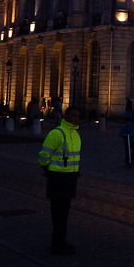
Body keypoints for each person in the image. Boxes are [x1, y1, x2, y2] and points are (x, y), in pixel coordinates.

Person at [38, 106, 82, 255]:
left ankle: (60, 242)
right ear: (66, 116)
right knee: (58, 215)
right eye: (73, 115)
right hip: (57, 179)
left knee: (64, 215)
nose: (76, 118)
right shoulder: (56, 133)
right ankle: (57, 245)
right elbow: (43, 156)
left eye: (78, 116)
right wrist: (49, 171)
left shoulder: (76, 134)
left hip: (70, 179)